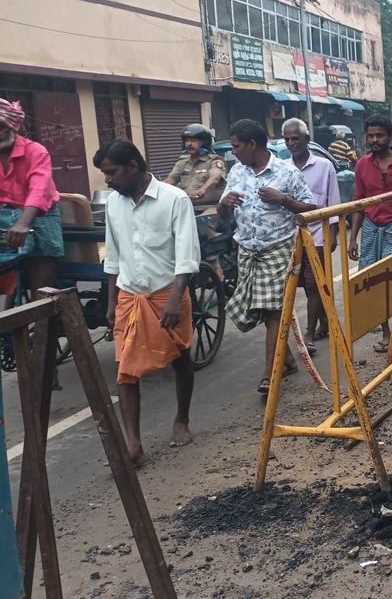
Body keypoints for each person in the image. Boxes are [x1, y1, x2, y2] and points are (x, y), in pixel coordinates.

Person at [96, 140, 200, 466]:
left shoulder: (175, 200)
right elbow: (112, 257)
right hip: (129, 296)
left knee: (181, 359)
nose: (107, 180)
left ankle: (181, 420)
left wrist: (173, 300)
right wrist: (112, 303)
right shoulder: (114, 204)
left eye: (111, 173)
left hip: (167, 294)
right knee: (125, 370)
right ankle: (133, 443)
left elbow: (186, 255)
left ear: (134, 167)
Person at [219, 119, 316, 395]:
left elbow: (311, 207)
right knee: (261, 309)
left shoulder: (286, 172)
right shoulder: (237, 172)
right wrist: (223, 205)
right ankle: (284, 359)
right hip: (247, 249)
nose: (233, 151)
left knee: (274, 310)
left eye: (236, 146)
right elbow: (223, 213)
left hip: (277, 248)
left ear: (252, 145)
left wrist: (283, 200)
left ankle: (269, 374)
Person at [347, 114, 392, 354]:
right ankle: (387, 332)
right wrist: (352, 238)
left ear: (390, 137)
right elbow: (358, 202)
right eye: (371, 136)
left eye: (379, 135)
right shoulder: (362, 165)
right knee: (372, 279)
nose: (375, 140)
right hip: (370, 226)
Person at [281, 118, 340, 353]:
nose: (291, 143)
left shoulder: (324, 166)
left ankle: (309, 332)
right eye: (287, 139)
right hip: (292, 236)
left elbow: (333, 201)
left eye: (295, 138)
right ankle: (325, 324)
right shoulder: (283, 168)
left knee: (313, 283)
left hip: (318, 234)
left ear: (306, 139)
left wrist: (333, 234)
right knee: (305, 285)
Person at [0, 98, 63, 293]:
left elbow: (39, 189)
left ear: (13, 126)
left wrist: (23, 223)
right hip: (4, 215)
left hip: (39, 214)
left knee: (43, 258)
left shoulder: (36, 151)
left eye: (1, 127)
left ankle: (42, 314)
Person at [164, 124, 226, 207]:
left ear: (204, 142)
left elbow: (215, 178)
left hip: (209, 207)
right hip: (186, 206)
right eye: (187, 140)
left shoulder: (214, 160)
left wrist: (201, 190)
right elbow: (170, 180)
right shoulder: (182, 162)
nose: (189, 144)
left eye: (193, 141)